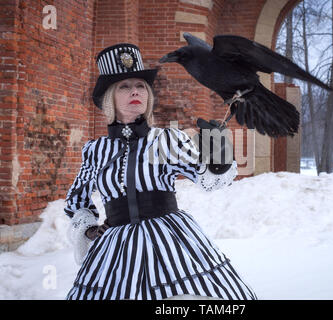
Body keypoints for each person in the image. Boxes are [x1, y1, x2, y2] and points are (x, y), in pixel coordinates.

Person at [64, 43, 257, 300]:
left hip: (170, 244)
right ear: (110, 97)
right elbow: (77, 201)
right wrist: (89, 230)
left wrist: (219, 158)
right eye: (124, 86)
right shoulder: (95, 150)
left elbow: (208, 179)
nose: (135, 91)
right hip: (115, 251)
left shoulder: (166, 140)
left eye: (141, 85)